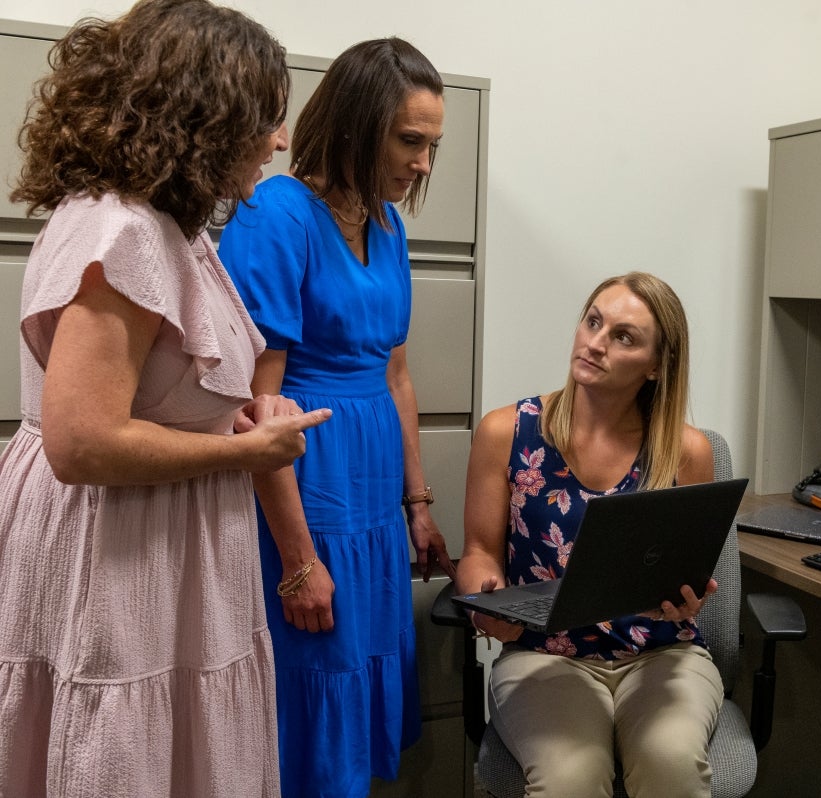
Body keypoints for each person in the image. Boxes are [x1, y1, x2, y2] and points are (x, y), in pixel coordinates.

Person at [0, 1, 332, 795]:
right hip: (115, 547)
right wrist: (244, 450)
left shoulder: (175, 230)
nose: (280, 141)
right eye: (268, 118)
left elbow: (175, 391)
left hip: (168, 544)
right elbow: (79, 443)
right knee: (120, 758)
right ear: (205, 114)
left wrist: (250, 415)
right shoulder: (120, 232)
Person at [217, 37, 456, 797]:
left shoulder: (387, 224)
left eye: (433, 146)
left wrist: (416, 502)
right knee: (312, 686)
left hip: (374, 496)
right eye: (409, 141)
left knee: (364, 677)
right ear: (357, 123)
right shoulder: (276, 214)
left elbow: (396, 371)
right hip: (306, 496)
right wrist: (295, 562)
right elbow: (254, 410)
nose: (423, 164)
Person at [456, 272, 725, 797]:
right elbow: (479, 553)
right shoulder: (506, 432)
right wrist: (485, 599)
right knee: (570, 777)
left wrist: (685, 601)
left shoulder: (686, 452)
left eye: (623, 337)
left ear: (656, 366)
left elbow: (688, 574)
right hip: (545, 656)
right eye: (594, 321)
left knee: (669, 761)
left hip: (662, 655)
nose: (595, 343)